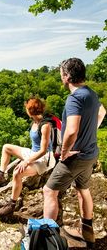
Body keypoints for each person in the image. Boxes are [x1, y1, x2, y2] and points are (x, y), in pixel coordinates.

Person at [43, 58, 106, 247]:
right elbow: (102, 112)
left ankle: (49, 241)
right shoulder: (91, 94)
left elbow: (71, 130)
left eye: (62, 73)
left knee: (49, 191)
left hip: (75, 157)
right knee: (83, 190)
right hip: (90, 154)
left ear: (67, 76)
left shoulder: (75, 98)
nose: (61, 77)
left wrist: (64, 152)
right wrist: (90, 132)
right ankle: (87, 233)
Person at [0, 97, 56, 216]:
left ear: (30, 111)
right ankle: (1, 175)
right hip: (33, 153)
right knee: (6, 147)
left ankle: (11, 205)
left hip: (43, 159)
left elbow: (43, 150)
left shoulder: (45, 125)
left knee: (17, 173)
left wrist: (27, 161)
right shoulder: (34, 122)